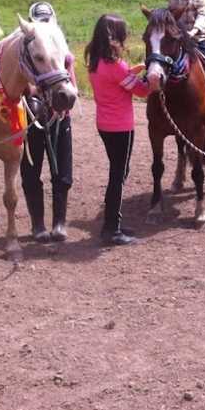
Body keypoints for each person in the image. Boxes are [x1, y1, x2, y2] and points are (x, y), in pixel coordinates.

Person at [85, 13, 150, 246]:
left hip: (105, 123)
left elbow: (116, 81)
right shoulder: (116, 65)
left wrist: (133, 70)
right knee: (118, 176)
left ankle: (114, 222)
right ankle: (111, 228)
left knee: (117, 172)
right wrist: (152, 78)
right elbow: (142, 91)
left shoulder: (96, 61)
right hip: (121, 126)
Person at [20, 2, 76, 244]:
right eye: (39, 20)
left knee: (62, 171)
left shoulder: (60, 46)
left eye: (47, 19)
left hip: (59, 115)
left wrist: (69, 102)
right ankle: (38, 225)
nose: (44, 23)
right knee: (31, 171)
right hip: (31, 116)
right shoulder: (26, 49)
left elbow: (70, 77)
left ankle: (60, 223)